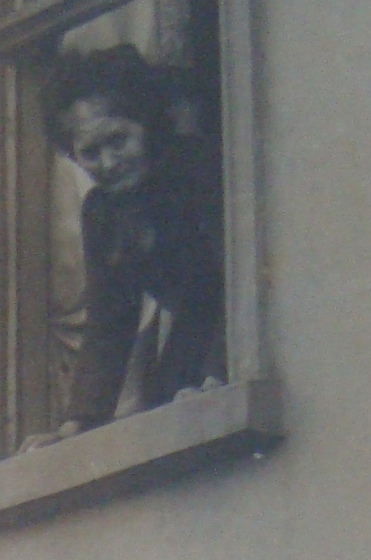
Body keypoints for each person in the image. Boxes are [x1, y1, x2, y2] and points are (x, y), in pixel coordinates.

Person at [28, 42, 225, 445]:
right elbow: (109, 321)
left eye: (118, 140)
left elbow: (239, 279)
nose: (108, 162)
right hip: (190, 345)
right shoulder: (101, 213)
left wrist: (220, 373)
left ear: (146, 123)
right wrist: (77, 424)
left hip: (237, 333)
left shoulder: (200, 170)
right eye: (90, 152)